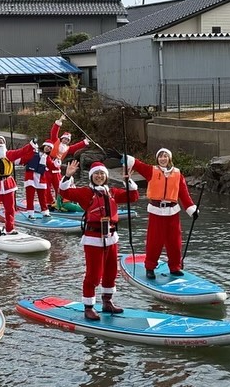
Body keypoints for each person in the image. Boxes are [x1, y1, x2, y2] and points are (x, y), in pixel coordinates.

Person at [59, 160, 139, 320]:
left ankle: (107, 302)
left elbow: (133, 197)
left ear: (106, 176)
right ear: (91, 176)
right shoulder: (85, 193)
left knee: (110, 273)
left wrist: (127, 181)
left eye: (102, 173)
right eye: (96, 174)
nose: (99, 176)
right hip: (93, 239)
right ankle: (88, 306)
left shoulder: (113, 192)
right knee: (94, 275)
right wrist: (67, 176)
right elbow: (65, 193)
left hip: (111, 238)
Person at [124, 148, 198, 279]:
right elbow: (137, 164)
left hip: (173, 212)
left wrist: (192, 210)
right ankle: (150, 267)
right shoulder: (151, 171)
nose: (162, 159)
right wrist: (122, 157)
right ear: (157, 159)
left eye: (165, 156)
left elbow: (184, 195)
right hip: (156, 211)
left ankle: (175, 267)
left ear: (169, 158)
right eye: (160, 156)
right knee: (154, 242)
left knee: (175, 242)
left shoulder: (178, 174)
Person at [47, 116, 90, 204]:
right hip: (47, 167)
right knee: (46, 186)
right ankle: (48, 201)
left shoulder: (67, 148)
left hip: (56, 169)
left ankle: (60, 202)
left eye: (68, 140)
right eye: (65, 139)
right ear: (62, 138)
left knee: (58, 186)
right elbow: (54, 132)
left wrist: (85, 142)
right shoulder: (55, 141)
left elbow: (76, 147)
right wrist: (59, 121)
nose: (66, 141)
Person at [17, 138, 56, 218]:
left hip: (41, 179)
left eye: (50, 148)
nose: (48, 148)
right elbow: (24, 159)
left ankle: (45, 211)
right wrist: (15, 160)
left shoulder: (47, 157)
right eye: (47, 146)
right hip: (30, 177)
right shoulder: (34, 153)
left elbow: (52, 166)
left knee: (42, 196)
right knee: (30, 196)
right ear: (44, 145)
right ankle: (30, 213)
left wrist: (57, 164)